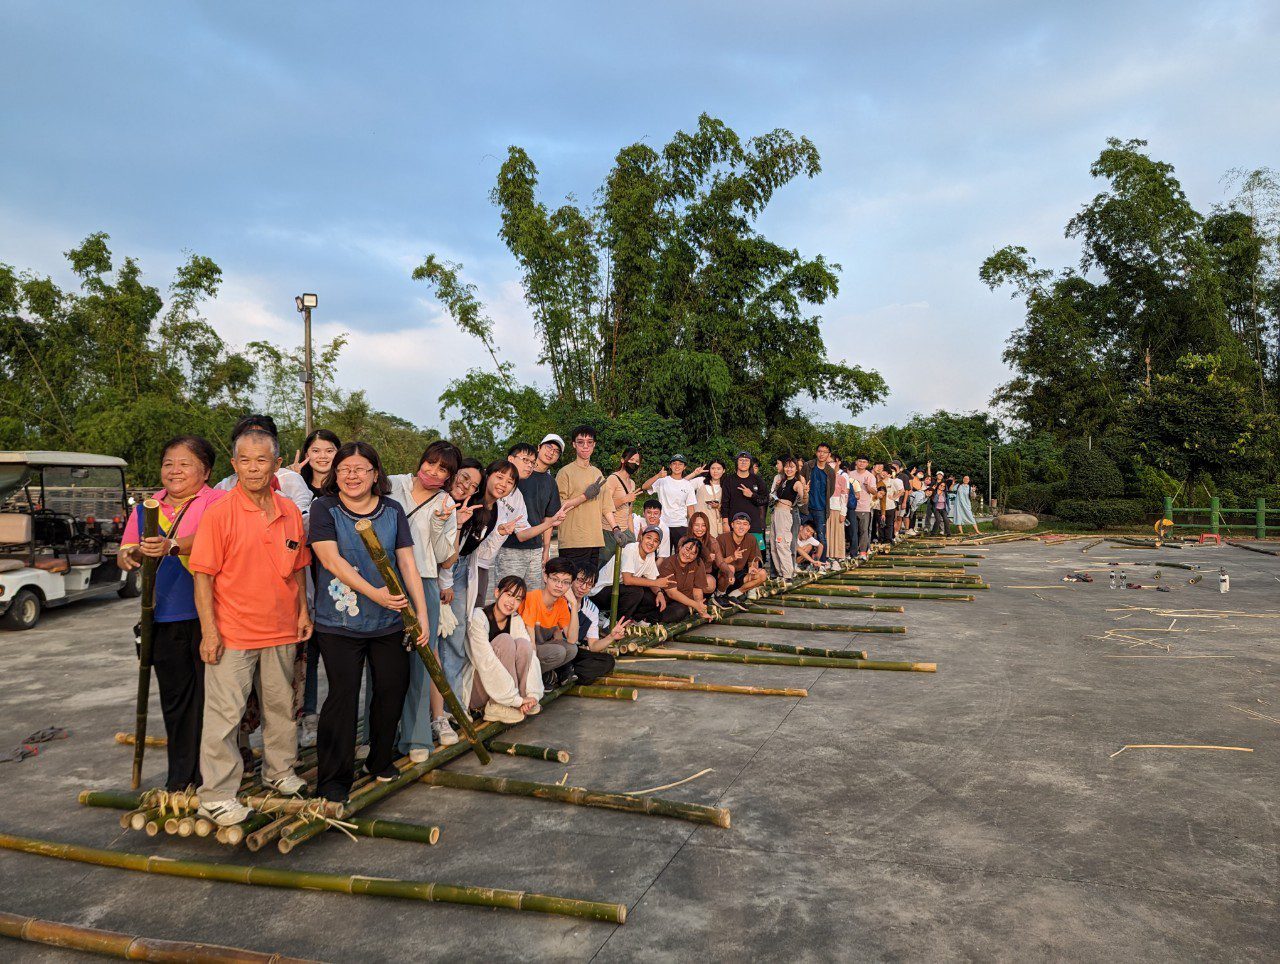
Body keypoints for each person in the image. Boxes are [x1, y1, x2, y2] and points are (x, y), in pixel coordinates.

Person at [190, 428, 311, 826]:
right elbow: (203, 577)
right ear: (234, 464)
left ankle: (279, 772)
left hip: (281, 629)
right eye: (245, 460)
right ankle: (217, 794)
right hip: (233, 632)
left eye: (262, 460)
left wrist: (303, 613)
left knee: (282, 708)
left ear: (277, 465)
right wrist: (210, 631)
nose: (253, 468)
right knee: (225, 715)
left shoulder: (289, 511)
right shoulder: (220, 513)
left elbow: (296, 572)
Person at [308, 442, 428, 802]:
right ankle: (333, 779)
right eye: (345, 469)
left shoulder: (392, 510)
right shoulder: (324, 508)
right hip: (338, 622)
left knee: (392, 688)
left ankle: (378, 760)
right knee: (342, 698)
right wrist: (374, 593)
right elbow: (331, 561)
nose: (352, 475)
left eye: (361, 469)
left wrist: (420, 615)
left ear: (376, 474)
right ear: (335, 474)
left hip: (389, 620)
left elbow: (407, 564)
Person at [117, 435, 225, 791]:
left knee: (217, 702)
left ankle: (218, 776)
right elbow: (125, 550)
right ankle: (182, 778)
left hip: (215, 616)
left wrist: (173, 545)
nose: (174, 470)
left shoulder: (218, 502)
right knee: (177, 702)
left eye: (185, 463)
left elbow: (218, 538)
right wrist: (131, 556)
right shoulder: (145, 508)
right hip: (164, 616)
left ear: (206, 470)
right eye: (168, 463)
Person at [427, 459, 523, 759]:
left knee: (456, 641)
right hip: (442, 572)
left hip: (462, 572)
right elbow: (446, 549)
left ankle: (452, 706)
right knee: (438, 642)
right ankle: (438, 712)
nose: (503, 484)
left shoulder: (492, 512)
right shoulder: (467, 503)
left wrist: (500, 534)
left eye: (510, 482)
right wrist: (445, 582)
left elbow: (479, 554)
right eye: (500, 476)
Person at [389, 440, 462, 754]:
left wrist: (438, 523)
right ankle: (378, 736)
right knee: (385, 659)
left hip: (425, 581)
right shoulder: (392, 484)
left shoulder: (446, 503)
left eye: (442, 469)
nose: (433, 472)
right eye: (430, 463)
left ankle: (416, 736)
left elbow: (446, 557)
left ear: (449, 477)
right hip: (386, 581)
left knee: (422, 658)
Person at [463, 576, 542, 725]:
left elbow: (531, 657)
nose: (512, 602)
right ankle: (497, 705)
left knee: (525, 645)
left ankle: (520, 700)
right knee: (505, 640)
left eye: (518, 599)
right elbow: (485, 661)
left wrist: (532, 695)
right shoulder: (478, 617)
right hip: (478, 688)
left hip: (506, 692)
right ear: (497, 592)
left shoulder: (516, 620)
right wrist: (513, 699)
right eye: (509, 594)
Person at [491, 442, 566, 593]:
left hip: (534, 549)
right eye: (525, 460)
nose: (529, 465)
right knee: (508, 596)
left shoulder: (522, 494)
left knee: (532, 597)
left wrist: (546, 547)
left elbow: (524, 533)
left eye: (532, 462)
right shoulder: (495, 481)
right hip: (506, 550)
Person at [593, 525, 679, 623]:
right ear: (641, 537)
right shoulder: (631, 549)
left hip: (617, 592)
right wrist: (656, 583)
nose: (651, 543)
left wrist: (659, 593)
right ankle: (614, 624)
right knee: (636, 591)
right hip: (599, 593)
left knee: (651, 597)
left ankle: (632, 618)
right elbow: (628, 580)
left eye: (655, 541)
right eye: (649, 538)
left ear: (658, 545)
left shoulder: (650, 555)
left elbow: (652, 579)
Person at [519, 556, 580, 686]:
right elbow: (530, 643)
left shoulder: (562, 604)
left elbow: (572, 639)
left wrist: (574, 604)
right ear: (545, 577)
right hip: (523, 648)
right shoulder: (533, 598)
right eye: (555, 579)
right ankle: (530, 678)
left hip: (540, 646)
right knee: (558, 652)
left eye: (565, 582)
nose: (559, 586)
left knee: (572, 649)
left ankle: (544, 675)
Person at [555, 425, 606, 572]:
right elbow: (559, 505)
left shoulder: (597, 473)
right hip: (572, 541)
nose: (585, 446)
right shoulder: (565, 472)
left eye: (590, 442)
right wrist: (585, 496)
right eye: (580, 442)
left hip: (595, 539)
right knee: (569, 585)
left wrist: (615, 529)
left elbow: (605, 506)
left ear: (594, 445)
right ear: (574, 444)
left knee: (587, 585)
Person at [568, 565, 629, 683]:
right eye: (580, 581)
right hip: (559, 651)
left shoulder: (591, 609)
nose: (583, 587)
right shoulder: (561, 600)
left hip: (574, 652)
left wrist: (611, 637)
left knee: (607, 661)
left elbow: (593, 646)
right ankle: (567, 673)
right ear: (572, 579)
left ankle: (568, 674)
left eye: (589, 584)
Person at [643, 455, 704, 544]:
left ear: (684, 467)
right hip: (663, 524)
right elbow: (644, 486)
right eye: (674, 463)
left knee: (680, 553)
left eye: (680, 464)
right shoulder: (662, 481)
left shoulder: (688, 485)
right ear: (670, 466)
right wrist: (658, 476)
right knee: (662, 554)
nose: (677, 466)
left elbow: (690, 508)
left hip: (681, 525)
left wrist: (693, 527)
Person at [600, 447, 642, 560]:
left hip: (626, 531)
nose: (634, 463)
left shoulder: (632, 483)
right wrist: (624, 499)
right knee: (604, 566)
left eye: (637, 461)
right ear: (623, 460)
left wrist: (632, 536)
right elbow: (604, 505)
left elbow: (629, 513)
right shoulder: (613, 479)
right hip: (609, 531)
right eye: (631, 459)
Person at [770, 457, 806, 583]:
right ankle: (780, 573)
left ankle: (787, 574)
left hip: (785, 514)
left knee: (782, 543)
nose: (789, 469)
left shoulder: (797, 483)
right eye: (786, 466)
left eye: (792, 467)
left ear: (796, 468)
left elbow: (803, 499)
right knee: (774, 545)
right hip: (775, 513)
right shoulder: (782, 481)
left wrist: (805, 492)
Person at [721, 452, 769, 546]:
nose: (743, 462)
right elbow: (725, 503)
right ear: (736, 462)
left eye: (746, 460)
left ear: (750, 463)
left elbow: (765, 499)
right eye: (741, 460)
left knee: (755, 556)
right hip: (734, 524)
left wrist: (752, 495)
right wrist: (725, 523)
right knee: (735, 554)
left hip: (753, 524)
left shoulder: (757, 480)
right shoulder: (729, 480)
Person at [717, 512, 768, 599]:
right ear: (732, 525)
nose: (741, 527)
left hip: (740, 575)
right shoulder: (722, 538)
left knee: (762, 573)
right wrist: (732, 557)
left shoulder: (751, 539)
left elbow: (753, 561)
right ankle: (720, 594)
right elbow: (716, 563)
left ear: (749, 527)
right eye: (738, 523)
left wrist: (752, 568)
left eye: (745, 524)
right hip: (723, 576)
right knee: (730, 568)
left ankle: (736, 593)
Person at [658, 536, 711, 619]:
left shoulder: (698, 563)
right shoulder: (668, 563)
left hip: (686, 600)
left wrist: (701, 611)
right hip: (669, 600)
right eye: (687, 549)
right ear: (680, 547)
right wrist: (695, 605)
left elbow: (697, 589)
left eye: (693, 553)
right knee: (679, 611)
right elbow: (672, 593)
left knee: (685, 609)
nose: (687, 554)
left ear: (696, 557)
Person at [688, 510, 734, 597]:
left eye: (703, 525)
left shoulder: (712, 541)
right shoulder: (684, 540)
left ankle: (717, 595)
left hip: (704, 575)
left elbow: (720, 562)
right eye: (696, 525)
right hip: (688, 574)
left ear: (707, 527)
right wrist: (706, 558)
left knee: (710, 583)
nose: (700, 529)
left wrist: (729, 573)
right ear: (691, 526)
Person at [800, 443, 835, 551]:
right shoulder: (808, 465)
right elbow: (800, 479)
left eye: (825, 452)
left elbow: (831, 490)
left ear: (828, 454)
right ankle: (804, 560)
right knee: (802, 535)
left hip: (821, 508)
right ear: (816, 452)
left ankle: (822, 562)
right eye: (819, 451)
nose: (821, 454)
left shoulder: (830, 471)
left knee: (821, 536)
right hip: (806, 507)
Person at [290, 429, 341, 500]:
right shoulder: (298, 485)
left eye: (329, 451)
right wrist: (293, 480)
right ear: (307, 455)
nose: (323, 456)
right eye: (316, 451)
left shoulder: (345, 487)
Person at [849, 457, 877, 560]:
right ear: (856, 462)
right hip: (851, 507)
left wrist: (867, 486)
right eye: (860, 461)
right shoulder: (850, 474)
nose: (861, 463)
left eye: (864, 462)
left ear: (867, 464)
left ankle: (863, 551)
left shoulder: (870, 476)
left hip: (864, 507)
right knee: (852, 531)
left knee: (864, 530)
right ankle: (853, 552)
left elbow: (875, 492)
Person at [692, 459, 727, 538]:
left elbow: (728, 507)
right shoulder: (700, 481)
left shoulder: (726, 487)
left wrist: (718, 506)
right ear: (709, 470)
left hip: (715, 525)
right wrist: (694, 474)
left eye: (718, 469)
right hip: (698, 525)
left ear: (723, 470)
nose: (715, 471)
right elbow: (680, 485)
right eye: (713, 468)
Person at [827, 455, 848, 560]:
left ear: (837, 463)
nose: (830, 464)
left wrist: (843, 512)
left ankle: (838, 555)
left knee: (837, 533)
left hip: (837, 509)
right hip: (824, 510)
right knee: (826, 533)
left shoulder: (841, 478)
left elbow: (844, 497)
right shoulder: (821, 478)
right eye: (828, 462)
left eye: (832, 462)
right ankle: (826, 555)